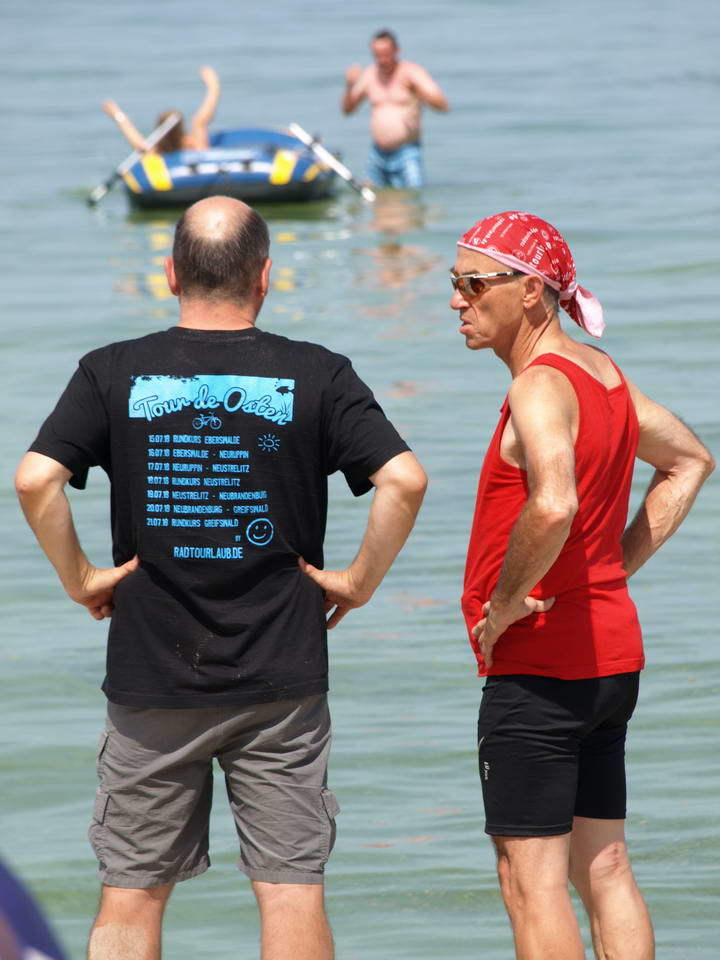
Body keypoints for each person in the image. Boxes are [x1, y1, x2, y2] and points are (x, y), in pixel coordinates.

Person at [15, 195, 427, 960]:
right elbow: (403, 479)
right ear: (264, 277)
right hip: (282, 677)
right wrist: (358, 582)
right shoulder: (318, 373)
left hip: (152, 673)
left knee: (133, 892)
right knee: (290, 888)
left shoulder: (111, 371)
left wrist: (81, 578)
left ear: (170, 273)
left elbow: (36, 479)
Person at [450, 210, 714, 960]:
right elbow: (690, 461)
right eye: (455, 283)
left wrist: (504, 605)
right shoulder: (604, 374)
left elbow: (554, 502)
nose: (457, 300)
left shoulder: (539, 385)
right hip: (608, 660)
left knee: (528, 881)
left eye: (474, 283)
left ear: (531, 291)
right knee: (604, 868)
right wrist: (614, 570)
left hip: (540, 665)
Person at [341, 30, 448, 188]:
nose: (382, 60)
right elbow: (347, 110)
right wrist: (349, 86)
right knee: (373, 197)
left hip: (407, 152)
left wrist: (419, 93)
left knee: (413, 195)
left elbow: (443, 105)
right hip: (377, 154)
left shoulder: (411, 73)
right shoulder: (370, 74)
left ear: (396, 51)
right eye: (377, 55)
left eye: (386, 54)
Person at [102, 65, 220, 154]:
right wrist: (213, 86)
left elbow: (136, 140)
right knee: (198, 124)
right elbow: (201, 121)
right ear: (182, 131)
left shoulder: (155, 153)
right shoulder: (197, 147)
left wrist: (117, 115)